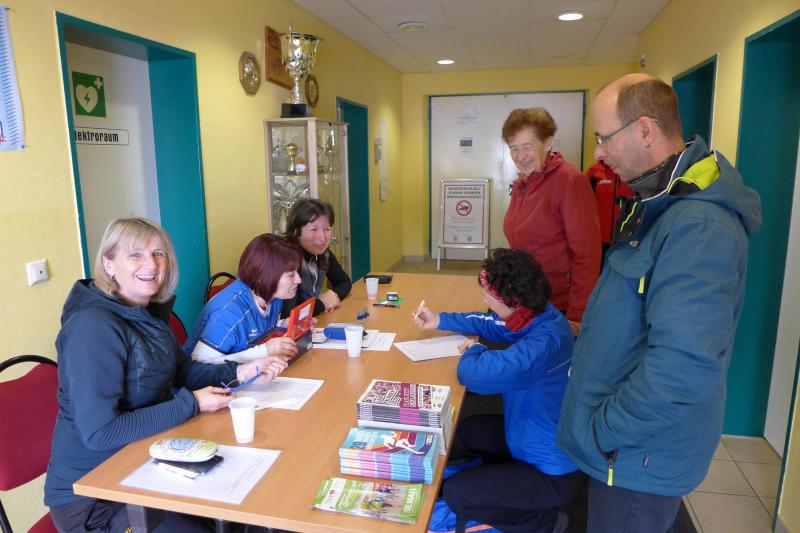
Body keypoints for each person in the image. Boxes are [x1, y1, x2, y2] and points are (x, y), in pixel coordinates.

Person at [557, 74, 762, 532]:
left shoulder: (698, 227)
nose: (598, 153)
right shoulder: (658, 202)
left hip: (635, 456)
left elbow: (683, 367)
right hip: (626, 451)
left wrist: (602, 432)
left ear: (645, 130)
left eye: (603, 138)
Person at [44, 218, 287, 532]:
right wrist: (191, 404)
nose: (152, 264)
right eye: (136, 254)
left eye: (158, 254)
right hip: (95, 498)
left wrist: (240, 371)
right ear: (108, 263)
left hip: (147, 458)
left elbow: (183, 371)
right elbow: (101, 432)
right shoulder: (92, 328)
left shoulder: (144, 313)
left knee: (257, 497)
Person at [413, 248, 584, 533]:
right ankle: (507, 489)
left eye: (489, 298)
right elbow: (491, 324)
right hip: (531, 436)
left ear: (511, 301)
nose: (485, 302)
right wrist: (439, 320)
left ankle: (546, 521)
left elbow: (473, 374)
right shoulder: (539, 315)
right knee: (469, 430)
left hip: (553, 473)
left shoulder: (543, 344)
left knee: (457, 494)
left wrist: (475, 349)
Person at [502, 107, 601, 327]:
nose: (519, 156)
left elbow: (587, 254)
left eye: (527, 146)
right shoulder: (522, 184)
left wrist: (577, 315)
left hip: (558, 306)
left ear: (547, 143)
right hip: (528, 299)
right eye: (513, 148)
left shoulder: (570, 180)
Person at [185, 233, 302, 363]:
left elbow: (258, 330)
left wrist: (284, 325)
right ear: (263, 277)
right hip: (203, 375)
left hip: (249, 371)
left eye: (297, 272)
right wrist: (264, 351)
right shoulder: (229, 312)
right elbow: (199, 366)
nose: (299, 280)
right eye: (291, 275)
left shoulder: (273, 296)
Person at [281, 198, 352, 317]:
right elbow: (288, 313)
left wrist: (331, 298)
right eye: (314, 229)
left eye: (327, 229)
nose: (322, 238)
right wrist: (322, 303)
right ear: (296, 232)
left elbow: (344, 282)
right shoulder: (287, 257)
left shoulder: (323, 253)